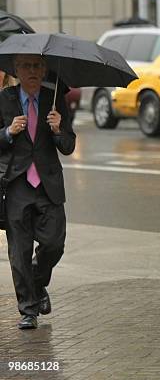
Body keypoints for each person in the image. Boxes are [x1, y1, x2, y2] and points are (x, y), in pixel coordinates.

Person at [0, 54, 76, 329]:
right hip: (17, 183)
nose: (32, 71)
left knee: (54, 243)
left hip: (48, 186)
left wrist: (58, 130)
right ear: (16, 70)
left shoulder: (54, 99)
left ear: (44, 69)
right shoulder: (4, 99)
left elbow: (68, 145)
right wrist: (8, 132)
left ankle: (37, 280)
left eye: (36, 66)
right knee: (19, 250)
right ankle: (28, 310)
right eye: (26, 66)